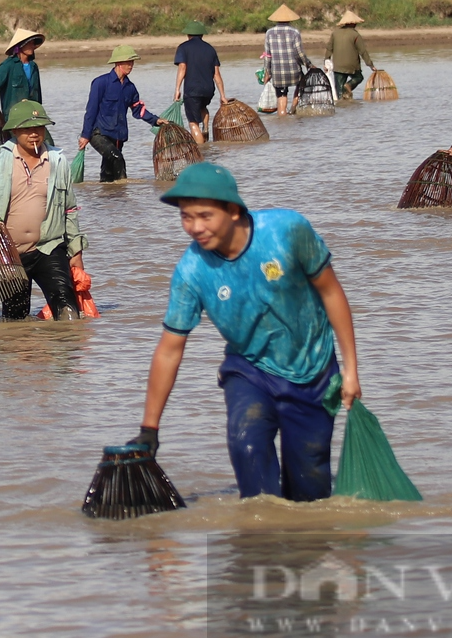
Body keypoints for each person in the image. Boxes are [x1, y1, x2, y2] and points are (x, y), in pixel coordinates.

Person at [131, 162, 362, 502]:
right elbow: (170, 349)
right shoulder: (191, 272)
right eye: (186, 217)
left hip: (311, 371)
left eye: (205, 216)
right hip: (250, 370)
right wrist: (149, 429)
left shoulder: (287, 231)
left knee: (309, 488)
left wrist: (350, 369)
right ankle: (259, 545)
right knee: (246, 443)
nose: (195, 227)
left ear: (234, 211)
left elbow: (331, 292)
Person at [0, 99, 84, 320]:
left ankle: (66, 353)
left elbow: (69, 210)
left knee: (68, 311)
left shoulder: (58, 160)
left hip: (49, 247)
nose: (34, 133)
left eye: (38, 127)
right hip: (9, 253)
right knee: (15, 317)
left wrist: (76, 253)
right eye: (27, 128)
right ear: (14, 130)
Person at [79, 45, 160, 183]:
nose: (131, 65)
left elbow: (137, 110)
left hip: (118, 136)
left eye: (132, 62)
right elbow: (91, 111)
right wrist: (85, 135)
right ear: (118, 63)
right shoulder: (100, 83)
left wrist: (155, 120)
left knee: (108, 172)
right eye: (128, 62)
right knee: (117, 158)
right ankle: (123, 186)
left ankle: (111, 199)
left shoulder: (130, 87)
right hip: (98, 133)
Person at [173, 21, 224, 143]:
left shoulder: (183, 48)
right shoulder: (210, 49)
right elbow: (216, 74)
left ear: (188, 34)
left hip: (192, 90)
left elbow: (182, 68)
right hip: (208, 90)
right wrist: (222, 95)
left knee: (192, 122)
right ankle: (205, 128)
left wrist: (177, 89)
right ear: (202, 34)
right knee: (203, 107)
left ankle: (201, 149)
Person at [0, 28, 45, 117]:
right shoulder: (8, 65)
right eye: (28, 43)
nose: (31, 46)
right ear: (20, 46)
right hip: (14, 116)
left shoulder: (34, 67)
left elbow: (37, 93)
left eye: (32, 43)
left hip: (33, 114)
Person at [261, 5, 308, 116]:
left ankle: (282, 117)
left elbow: (268, 55)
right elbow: (299, 54)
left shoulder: (269, 33)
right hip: (294, 70)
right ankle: (293, 108)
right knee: (301, 83)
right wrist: (308, 64)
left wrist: (267, 72)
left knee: (281, 95)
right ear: (289, 19)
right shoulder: (295, 32)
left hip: (277, 72)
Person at [328, 10, 376, 100]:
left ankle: (342, 102)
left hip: (337, 66)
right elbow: (363, 51)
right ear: (352, 23)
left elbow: (329, 48)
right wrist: (370, 65)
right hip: (351, 65)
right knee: (359, 77)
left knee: (339, 90)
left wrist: (326, 61)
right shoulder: (355, 35)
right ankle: (349, 85)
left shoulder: (335, 33)